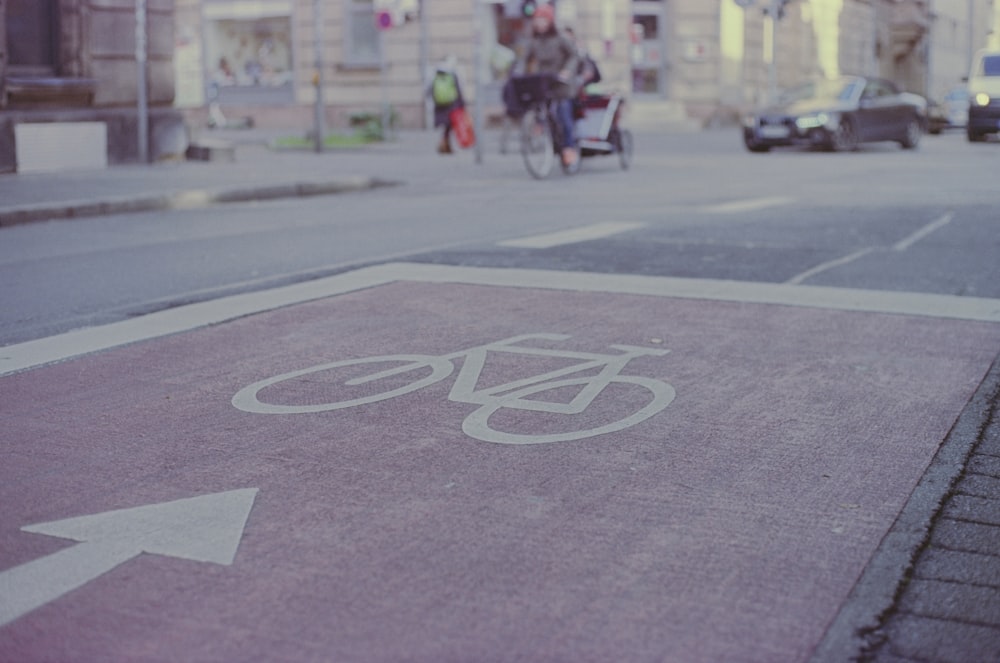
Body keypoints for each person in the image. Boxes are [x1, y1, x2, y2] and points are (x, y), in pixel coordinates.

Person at [516, 4, 580, 166]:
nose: (540, 23)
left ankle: (568, 148)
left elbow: (574, 55)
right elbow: (524, 59)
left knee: (564, 114)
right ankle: (539, 127)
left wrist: (567, 71)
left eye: (543, 20)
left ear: (550, 21)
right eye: (537, 20)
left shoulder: (561, 38)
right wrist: (519, 74)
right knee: (539, 107)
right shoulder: (533, 40)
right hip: (544, 83)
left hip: (562, 85)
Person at [427, 56, 465, 154]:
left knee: (445, 126)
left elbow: (429, 89)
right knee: (449, 126)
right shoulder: (452, 74)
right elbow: (458, 90)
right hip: (451, 104)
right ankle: (444, 144)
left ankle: (445, 145)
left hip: (439, 104)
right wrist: (462, 104)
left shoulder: (436, 74)